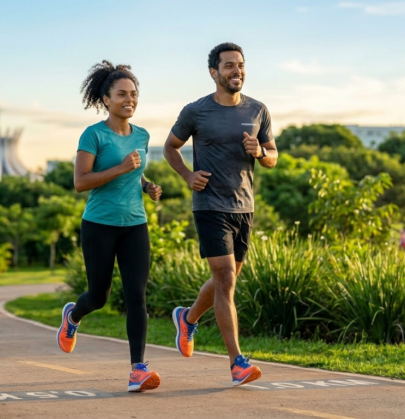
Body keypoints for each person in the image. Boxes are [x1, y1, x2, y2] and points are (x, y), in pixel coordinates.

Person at [163, 42, 278, 386]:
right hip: (210, 205)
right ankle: (237, 363)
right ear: (214, 72)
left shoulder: (258, 110)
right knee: (226, 279)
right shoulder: (196, 111)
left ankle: (188, 318)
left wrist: (260, 153)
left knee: (225, 280)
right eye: (228, 65)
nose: (236, 71)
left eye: (240, 65)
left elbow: (273, 156)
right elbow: (170, 147)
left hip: (244, 207)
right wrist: (188, 176)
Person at [57, 60, 163, 393]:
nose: (129, 99)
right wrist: (120, 168)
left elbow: (136, 170)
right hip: (99, 225)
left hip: (135, 225)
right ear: (106, 99)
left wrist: (146, 185)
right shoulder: (93, 135)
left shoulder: (142, 135)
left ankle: (137, 369)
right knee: (99, 296)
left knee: (136, 297)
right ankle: (73, 316)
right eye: (122, 94)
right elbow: (80, 182)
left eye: (133, 94)